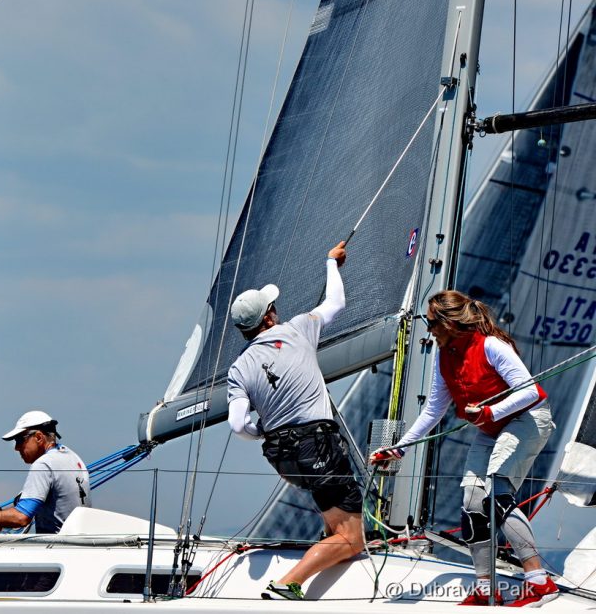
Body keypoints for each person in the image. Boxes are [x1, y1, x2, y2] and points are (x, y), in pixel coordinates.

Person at [370, 290, 559, 607]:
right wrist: (399, 449)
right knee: (472, 502)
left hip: (527, 419)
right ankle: (486, 590)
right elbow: (433, 410)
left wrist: (490, 412)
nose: (428, 329)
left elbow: (530, 392)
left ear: (449, 322)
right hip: (492, 427)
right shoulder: (443, 355)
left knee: (497, 494)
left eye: (431, 322)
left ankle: (540, 583)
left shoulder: (491, 346)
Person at [226, 241, 363, 601]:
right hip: (317, 446)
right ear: (268, 318)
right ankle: (288, 583)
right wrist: (331, 262)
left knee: (332, 511)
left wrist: (261, 430)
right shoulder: (297, 329)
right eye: (272, 307)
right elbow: (336, 302)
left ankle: (328, 544)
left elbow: (238, 425)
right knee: (353, 538)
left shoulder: (238, 368)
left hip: (282, 456)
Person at [0, 411, 91, 534]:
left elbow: (21, 517)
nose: (16, 447)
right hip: (81, 542)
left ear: (39, 437)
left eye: (20, 440)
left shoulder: (43, 464)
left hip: (56, 545)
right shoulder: (75, 459)